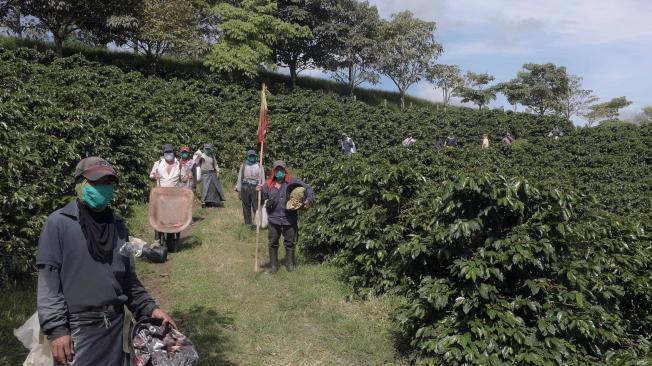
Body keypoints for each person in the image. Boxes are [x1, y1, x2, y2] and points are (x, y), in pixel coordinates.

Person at [36, 157, 175, 366]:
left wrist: (150, 308)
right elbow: (48, 284)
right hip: (77, 331)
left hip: (116, 329)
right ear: (80, 184)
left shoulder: (117, 226)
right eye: (96, 182)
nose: (103, 188)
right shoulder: (59, 224)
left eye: (108, 183)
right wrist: (57, 330)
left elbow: (128, 281)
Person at [257, 160, 314, 273]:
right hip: (274, 219)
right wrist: (258, 190)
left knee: (290, 242)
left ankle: (289, 264)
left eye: (281, 170)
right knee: (273, 242)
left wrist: (308, 200)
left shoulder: (293, 182)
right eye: (277, 170)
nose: (279, 172)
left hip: (289, 219)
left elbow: (308, 189)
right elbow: (262, 198)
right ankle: (273, 265)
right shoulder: (268, 184)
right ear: (274, 171)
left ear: (285, 171)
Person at [149, 144, 182, 243]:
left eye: (170, 152)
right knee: (159, 218)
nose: (168, 154)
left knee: (172, 218)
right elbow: (151, 175)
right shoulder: (158, 163)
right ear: (164, 153)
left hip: (174, 197)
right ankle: (157, 240)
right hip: (161, 196)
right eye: (166, 152)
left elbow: (183, 178)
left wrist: (187, 177)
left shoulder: (179, 164)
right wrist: (154, 176)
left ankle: (172, 239)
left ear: (173, 152)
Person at [235, 150, 264, 227]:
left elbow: (263, 179)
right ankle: (248, 223)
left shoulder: (259, 166)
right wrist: (239, 190)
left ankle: (257, 223)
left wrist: (262, 187)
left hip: (256, 188)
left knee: (256, 206)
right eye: (250, 156)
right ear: (247, 157)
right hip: (245, 187)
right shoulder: (243, 166)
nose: (252, 157)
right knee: (246, 206)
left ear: (255, 157)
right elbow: (239, 178)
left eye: (253, 156)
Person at [197, 143, 226, 207]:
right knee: (205, 188)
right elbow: (196, 163)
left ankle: (211, 202)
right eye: (206, 149)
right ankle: (203, 202)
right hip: (204, 174)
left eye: (209, 149)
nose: (207, 150)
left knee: (212, 189)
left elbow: (215, 164)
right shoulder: (201, 155)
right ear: (204, 149)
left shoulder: (212, 156)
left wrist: (218, 171)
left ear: (210, 149)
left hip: (212, 173)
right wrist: (199, 158)